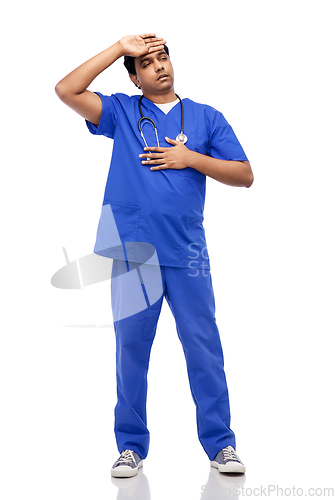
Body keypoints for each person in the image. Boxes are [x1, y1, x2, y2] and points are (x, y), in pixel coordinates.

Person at [55, 33, 254, 478]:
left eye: (163, 57)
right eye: (146, 62)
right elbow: (66, 90)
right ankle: (130, 447)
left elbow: (244, 175)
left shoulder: (206, 117)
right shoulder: (122, 112)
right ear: (134, 76)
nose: (159, 66)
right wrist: (117, 47)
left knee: (204, 348)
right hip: (132, 250)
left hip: (187, 251)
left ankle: (221, 445)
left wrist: (190, 158)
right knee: (131, 351)